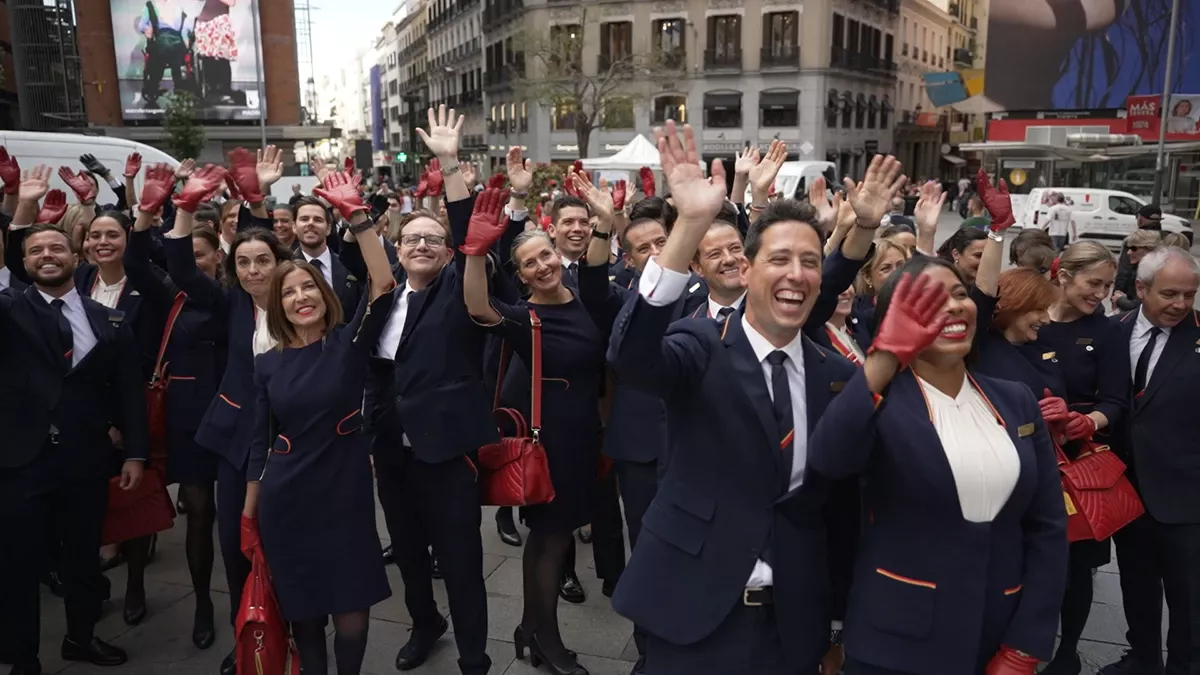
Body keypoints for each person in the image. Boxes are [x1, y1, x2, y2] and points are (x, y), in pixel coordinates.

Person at [608, 122, 905, 675]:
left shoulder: (836, 376)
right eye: (780, 259)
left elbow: (840, 510)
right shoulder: (699, 344)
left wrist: (839, 621)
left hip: (793, 623)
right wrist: (690, 224)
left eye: (811, 262)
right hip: (690, 609)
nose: (797, 274)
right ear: (749, 269)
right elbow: (633, 360)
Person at [809, 256, 1068, 675]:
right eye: (928, 302)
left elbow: (1048, 526)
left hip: (998, 634)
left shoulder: (1015, 399)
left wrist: (1026, 643)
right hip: (895, 642)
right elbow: (827, 459)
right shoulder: (876, 402)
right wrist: (885, 357)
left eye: (960, 294)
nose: (952, 307)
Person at [241, 170, 395, 675]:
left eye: (308, 287)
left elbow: (383, 282)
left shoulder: (347, 345)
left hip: (345, 496)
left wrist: (357, 216)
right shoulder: (267, 364)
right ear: (278, 306)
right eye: (289, 293)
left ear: (323, 294)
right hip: (286, 500)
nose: (301, 297)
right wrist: (248, 514)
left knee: (351, 612)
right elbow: (259, 441)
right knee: (304, 615)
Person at [363, 105, 493, 675]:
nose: (420, 245)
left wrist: (449, 164)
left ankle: (473, 653)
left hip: (445, 450)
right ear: (397, 246)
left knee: (461, 559)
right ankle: (424, 625)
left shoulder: (456, 295)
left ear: (444, 252)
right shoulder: (385, 297)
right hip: (391, 448)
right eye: (410, 237)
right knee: (409, 555)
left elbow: (470, 240)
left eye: (431, 240)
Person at [0, 223, 148, 675]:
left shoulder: (106, 319)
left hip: (84, 460)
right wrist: (12, 211)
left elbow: (128, 391)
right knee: (19, 565)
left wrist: (135, 453)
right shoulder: (9, 310)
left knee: (84, 558)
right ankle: (22, 657)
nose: (47, 255)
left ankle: (81, 638)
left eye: (57, 247)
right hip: (20, 463)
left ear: (76, 256)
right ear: (23, 263)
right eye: (36, 250)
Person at [161, 155, 290, 675]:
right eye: (244, 263)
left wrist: (258, 200)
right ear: (233, 268)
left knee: (287, 543)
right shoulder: (226, 303)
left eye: (263, 261)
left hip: (292, 442)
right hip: (236, 443)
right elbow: (180, 267)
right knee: (238, 545)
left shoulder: (300, 299)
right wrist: (187, 207)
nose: (255, 269)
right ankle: (248, 639)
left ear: (280, 264)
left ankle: (295, 630)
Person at [124, 165, 227, 650]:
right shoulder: (175, 295)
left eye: (204, 255)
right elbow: (140, 266)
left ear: (216, 258)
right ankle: (199, 598)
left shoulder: (228, 300)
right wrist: (144, 214)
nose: (195, 263)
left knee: (219, 514)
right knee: (189, 509)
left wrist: (181, 212)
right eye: (193, 254)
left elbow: (178, 265)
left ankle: (238, 598)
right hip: (184, 419)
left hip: (228, 418)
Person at [1102, 246, 1200, 675]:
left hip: (1187, 497)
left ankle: (1185, 665)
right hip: (1128, 492)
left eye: (1190, 295)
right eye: (1170, 294)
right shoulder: (1112, 331)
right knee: (1136, 584)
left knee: (1189, 596)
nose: (1181, 304)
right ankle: (1142, 658)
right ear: (1140, 288)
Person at [1112, 229, 1162, 311]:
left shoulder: (1156, 273)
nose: (1128, 252)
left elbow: (1143, 306)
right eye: (1129, 248)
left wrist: (1120, 300)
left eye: (1133, 248)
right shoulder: (1138, 269)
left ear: (1149, 248)